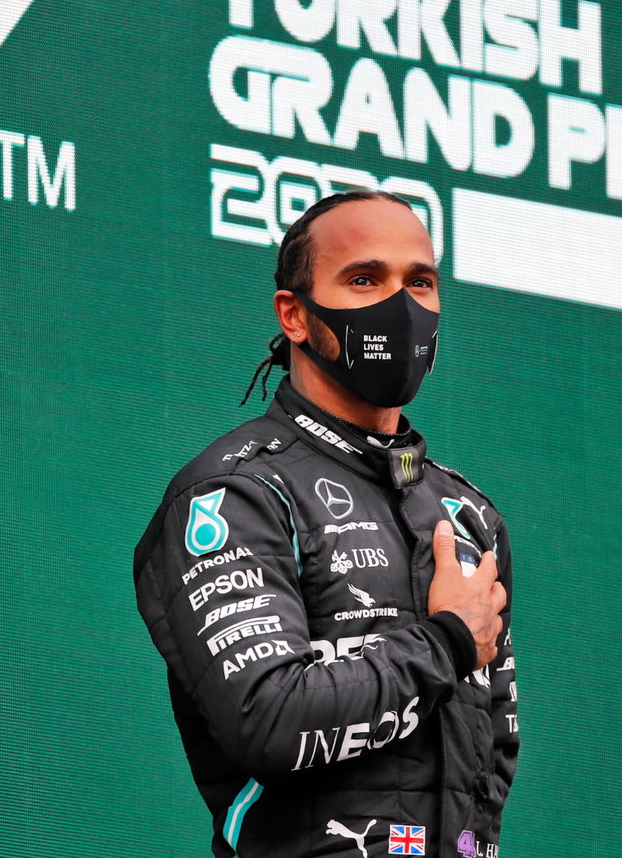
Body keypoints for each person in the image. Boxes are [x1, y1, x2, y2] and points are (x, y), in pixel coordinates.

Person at [133, 189, 517, 858]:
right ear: (294, 315)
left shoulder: (469, 514)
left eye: (419, 282)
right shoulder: (236, 493)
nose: (400, 305)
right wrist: (448, 640)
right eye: (364, 279)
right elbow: (269, 720)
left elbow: (494, 751)